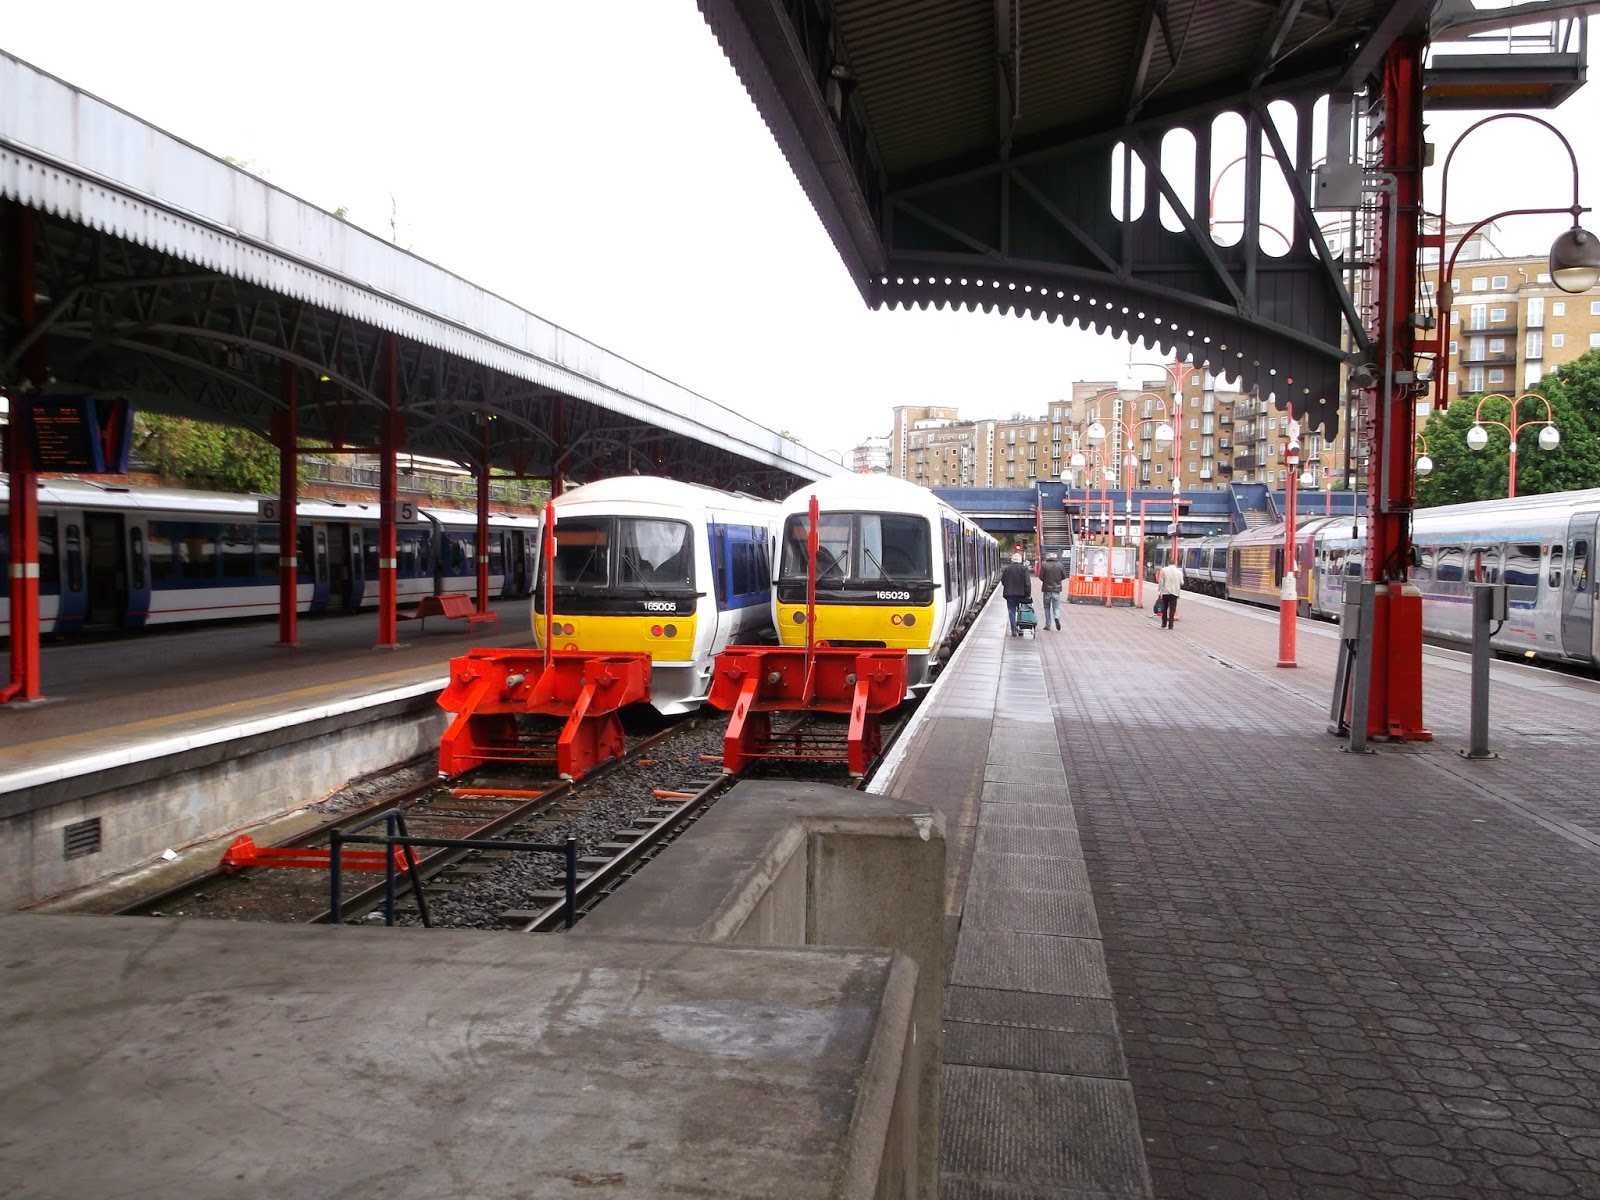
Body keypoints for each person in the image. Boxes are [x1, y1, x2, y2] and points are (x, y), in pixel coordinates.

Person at [1000, 551, 1031, 637]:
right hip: (1022, 594)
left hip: (1009, 594)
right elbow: (1027, 583)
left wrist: (1008, 588)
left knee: (1011, 611)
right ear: (1020, 560)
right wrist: (1028, 594)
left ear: (1012, 560)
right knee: (1021, 611)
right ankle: (1021, 629)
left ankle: (1013, 630)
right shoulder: (1024, 569)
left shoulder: (1007, 569)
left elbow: (1003, 581)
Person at [1038, 550, 1067, 631]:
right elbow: (1064, 576)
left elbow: (1041, 577)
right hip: (1056, 589)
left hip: (1046, 589)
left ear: (1048, 557)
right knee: (1056, 606)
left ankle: (1048, 624)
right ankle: (1056, 617)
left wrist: (1046, 581)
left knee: (1046, 607)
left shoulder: (1044, 564)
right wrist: (1058, 581)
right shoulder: (1060, 565)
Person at [1156, 559, 1183, 629]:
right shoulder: (1179, 572)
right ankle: (1171, 625)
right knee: (1172, 609)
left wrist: (1159, 591)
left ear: (1168, 563)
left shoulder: (1164, 570)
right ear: (1175, 563)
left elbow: (1161, 581)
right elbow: (1182, 582)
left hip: (1165, 592)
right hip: (1175, 593)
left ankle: (1163, 624)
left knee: (1164, 608)